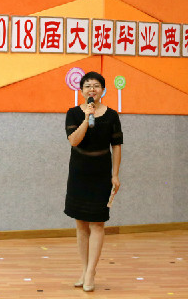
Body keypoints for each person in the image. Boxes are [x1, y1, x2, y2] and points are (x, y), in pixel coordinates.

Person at [64, 71, 123, 292]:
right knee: (81, 224)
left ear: (103, 90)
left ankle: (91, 271)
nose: (92, 89)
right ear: (82, 91)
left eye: (96, 86)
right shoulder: (73, 113)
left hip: (101, 173)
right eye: (88, 86)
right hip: (79, 173)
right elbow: (74, 140)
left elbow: (116, 146)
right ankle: (84, 269)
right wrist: (86, 118)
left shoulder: (112, 116)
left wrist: (115, 174)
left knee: (97, 223)